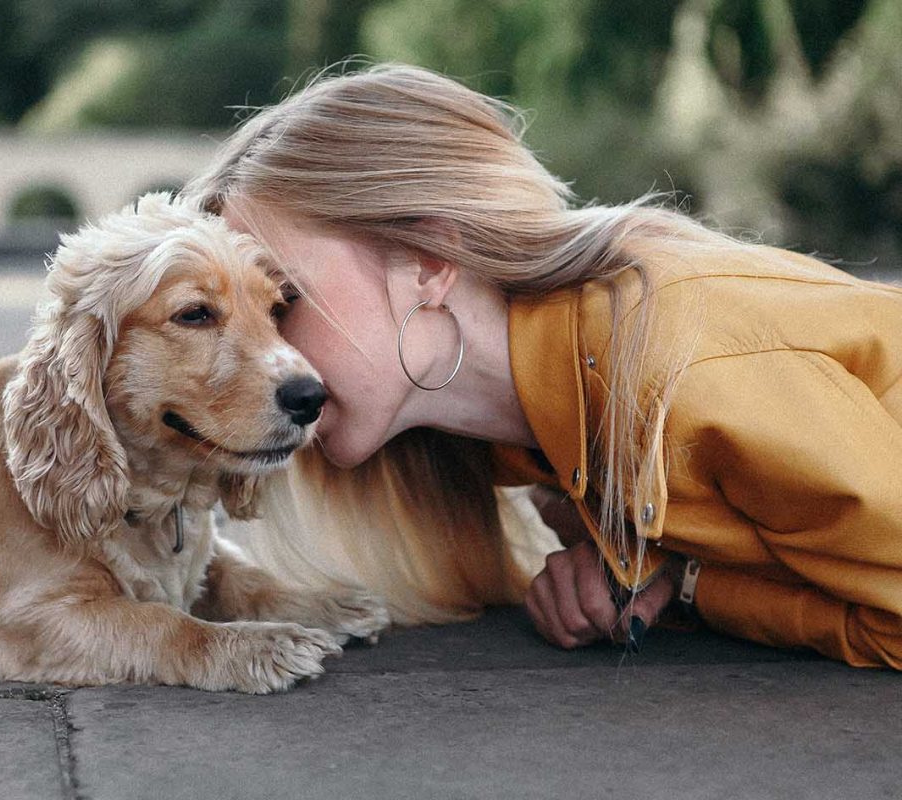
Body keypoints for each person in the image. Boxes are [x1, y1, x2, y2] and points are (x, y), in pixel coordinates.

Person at [181, 63, 902, 668]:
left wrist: (687, 586)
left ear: (430, 261)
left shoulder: (687, 377)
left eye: (283, 299)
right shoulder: (529, 444)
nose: (255, 360)